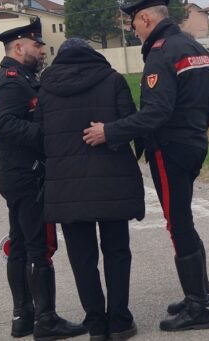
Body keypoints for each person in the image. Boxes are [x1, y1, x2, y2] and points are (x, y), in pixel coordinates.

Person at [82, 0, 209, 332]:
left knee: (178, 224)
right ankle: (202, 294)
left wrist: (110, 131)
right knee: (185, 220)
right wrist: (195, 126)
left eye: (134, 23)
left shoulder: (162, 54)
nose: (134, 31)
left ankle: (198, 308)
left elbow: (155, 113)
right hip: (192, 144)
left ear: (147, 18)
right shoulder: (192, 46)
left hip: (170, 148)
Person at [0, 18, 87, 340]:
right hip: (27, 177)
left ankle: (22, 317)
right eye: (36, 45)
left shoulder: (16, 78)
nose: (41, 50)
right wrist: (46, 136)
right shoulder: (13, 82)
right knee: (37, 249)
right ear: (18, 47)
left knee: (19, 248)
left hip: (14, 175)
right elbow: (1, 124)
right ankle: (46, 320)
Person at [36, 38, 145, 341]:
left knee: (82, 258)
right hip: (113, 183)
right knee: (117, 251)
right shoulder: (113, 80)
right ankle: (120, 320)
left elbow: (40, 133)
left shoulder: (46, 89)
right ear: (92, 55)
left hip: (68, 188)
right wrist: (108, 135)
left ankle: (96, 324)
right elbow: (131, 124)